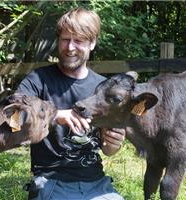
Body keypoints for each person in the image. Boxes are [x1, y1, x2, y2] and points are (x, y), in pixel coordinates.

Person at [16, 7, 126, 200]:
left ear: (92, 43)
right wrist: (56, 114)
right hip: (51, 181)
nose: (70, 47)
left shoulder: (103, 88)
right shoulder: (38, 80)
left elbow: (108, 149)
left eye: (79, 41)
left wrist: (113, 144)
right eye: (65, 40)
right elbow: (14, 113)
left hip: (96, 184)